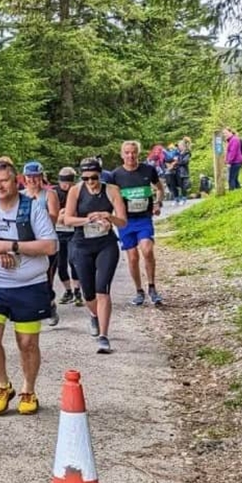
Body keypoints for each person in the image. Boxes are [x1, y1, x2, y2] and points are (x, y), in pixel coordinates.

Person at [0, 159, 59, 415]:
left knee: (27, 343)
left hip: (29, 285)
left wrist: (12, 246)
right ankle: (3, 385)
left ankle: (28, 389)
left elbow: (50, 246)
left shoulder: (33, 209)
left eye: (3, 181)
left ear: (15, 181)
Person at [63, 158, 127, 354]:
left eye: (94, 177)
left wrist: (108, 217)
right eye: (86, 178)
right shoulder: (76, 190)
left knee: (102, 290)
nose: (90, 182)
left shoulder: (112, 190)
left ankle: (104, 336)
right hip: (81, 243)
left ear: (101, 175)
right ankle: (94, 315)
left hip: (105, 244)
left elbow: (123, 221)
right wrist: (88, 219)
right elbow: (67, 219)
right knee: (88, 293)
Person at [111, 141, 165, 306]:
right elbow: (111, 197)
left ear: (138, 154)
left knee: (147, 250)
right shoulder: (116, 175)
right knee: (133, 257)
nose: (130, 156)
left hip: (143, 219)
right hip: (125, 221)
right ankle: (138, 291)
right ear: (122, 155)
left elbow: (159, 188)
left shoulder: (148, 170)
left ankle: (152, 287)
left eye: (133, 152)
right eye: (127, 153)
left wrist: (158, 203)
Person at [21, 161, 62, 326]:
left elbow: (54, 217)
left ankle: (50, 304)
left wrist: (37, 211)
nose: (32, 180)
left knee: (46, 277)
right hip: (27, 242)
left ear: (41, 178)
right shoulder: (20, 195)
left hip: (46, 242)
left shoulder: (49, 194)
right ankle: (30, 307)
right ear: (24, 178)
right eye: (29, 177)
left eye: (36, 177)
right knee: (26, 275)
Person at [52, 168, 83, 307]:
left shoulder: (78, 192)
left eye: (69, 182)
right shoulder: (54, 193)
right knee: (61, 265)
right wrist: (60, 215)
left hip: (74, 232)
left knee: (74, 260)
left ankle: (77, 290)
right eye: (63, 182)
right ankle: (68, 290)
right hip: (58, 232)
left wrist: (69, 215)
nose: (66, 186)